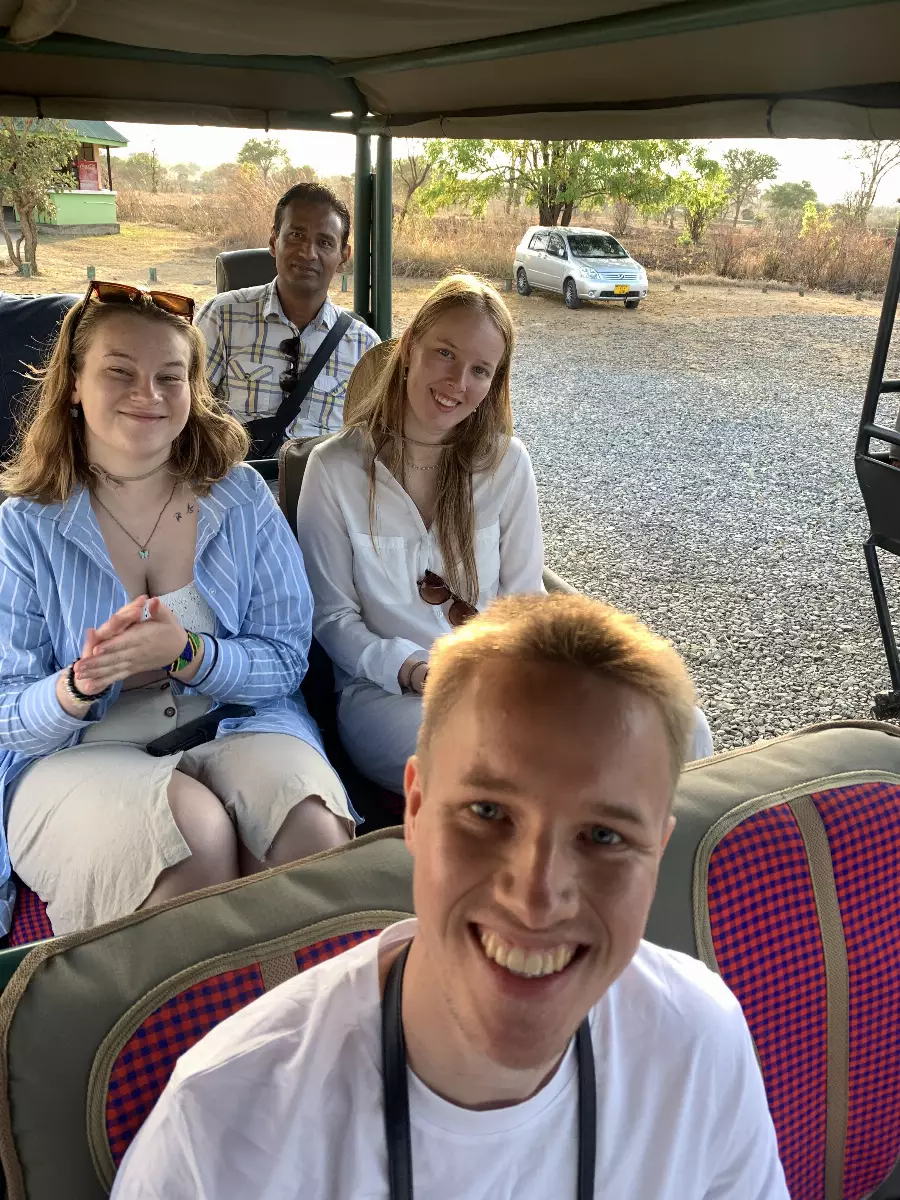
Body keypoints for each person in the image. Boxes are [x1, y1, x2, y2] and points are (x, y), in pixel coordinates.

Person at [111, 592, 788, 1200]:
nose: (536, 897)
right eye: (488, 813)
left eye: (605, 836)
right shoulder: (221, 1134)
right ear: (415, 808)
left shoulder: (699, 1041)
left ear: (657, 853)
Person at [0, 280, 354, 938]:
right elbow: (7, 713)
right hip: (78, 750)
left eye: (171, 376)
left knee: (312, 841)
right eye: (120, 372)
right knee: (192, 844)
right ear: (73, 384)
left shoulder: (240, 497)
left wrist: (190, 655)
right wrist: (81, 684)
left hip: (237, 721)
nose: (150, 394)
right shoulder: (22, 527)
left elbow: (285, 659)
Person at [294, 273, 713, 794]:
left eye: (480, 370)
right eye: (445, 353)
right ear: (409, 348)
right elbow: (332, 619)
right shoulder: (334, 469)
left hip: (502, 680)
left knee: (684, 729)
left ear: (494, 382)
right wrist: (411, 668)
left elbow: (524, 600)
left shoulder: (507, 464)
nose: (458, 382)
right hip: (387, 695)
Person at [196, 181, 379, 442]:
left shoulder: (364, 346)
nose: (308, 253)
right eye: (296, 235)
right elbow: (190, 413)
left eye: (325, 242)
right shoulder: (222, 316)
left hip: (319, 469)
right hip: (237, 466)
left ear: (343, 256)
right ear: (274, 240)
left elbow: (371, 439)